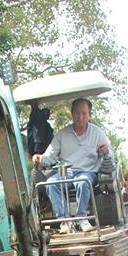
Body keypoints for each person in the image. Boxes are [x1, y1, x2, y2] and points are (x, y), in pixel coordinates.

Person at [32, 98, 112, 234]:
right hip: (66, 172)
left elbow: (110, 156)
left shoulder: (97, 133)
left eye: (84, 114)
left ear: (89, 115)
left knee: (82, 182)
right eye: (77, 113)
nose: (80, 117)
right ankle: (65, 220)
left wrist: (106, 152)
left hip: (88, 172)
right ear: (71, 113)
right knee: (51, 183)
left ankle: (82, 218)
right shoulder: (62, 134)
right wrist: (39, 158)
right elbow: (50, 156)